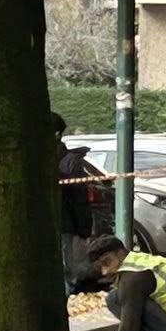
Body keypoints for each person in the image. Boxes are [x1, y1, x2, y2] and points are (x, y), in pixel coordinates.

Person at [52, 114, 95, 294]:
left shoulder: (69, 162)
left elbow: (78, 198)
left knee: (64, 270)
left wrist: (83, 228)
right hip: (58, 224)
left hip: (63, 225)